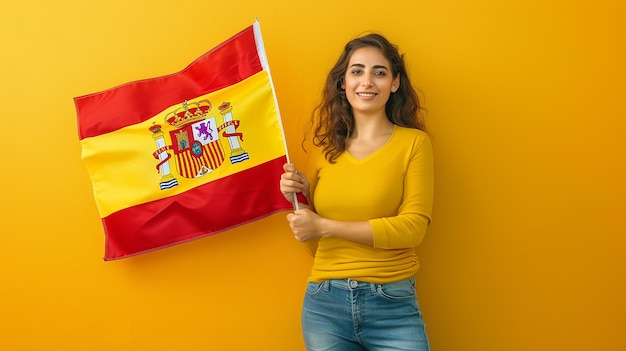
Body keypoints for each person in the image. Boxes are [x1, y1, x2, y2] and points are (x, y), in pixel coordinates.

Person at [280, 32, 434, 351]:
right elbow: (316, 245)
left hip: (392, 304)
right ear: (343, 82)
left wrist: (323, 225)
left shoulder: (414, 144)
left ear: (394, 83)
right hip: (325, 305)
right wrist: (301, 202)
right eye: (357, 71)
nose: (367, 81)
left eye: (379, 72)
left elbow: (413, 229)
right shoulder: (326, 150)